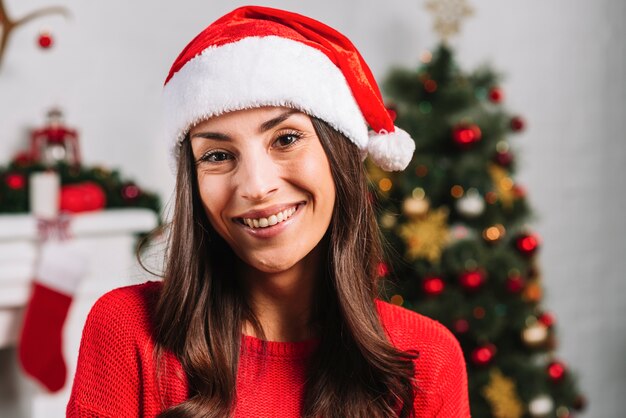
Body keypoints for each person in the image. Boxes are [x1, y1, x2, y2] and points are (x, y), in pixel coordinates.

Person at [67, 5, 470, 417]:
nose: (257, 187)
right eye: (218, 155)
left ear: (338, 156)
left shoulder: (428, 360)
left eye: (286, 138)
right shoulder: (125, 330)